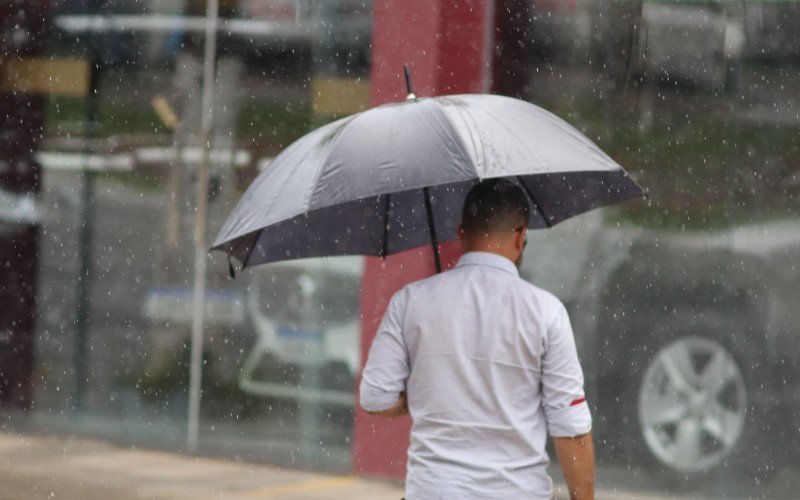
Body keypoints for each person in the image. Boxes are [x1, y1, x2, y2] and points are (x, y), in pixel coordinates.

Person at [359, 179, 595, 500]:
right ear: (521, 236)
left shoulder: (411, 301)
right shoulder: (546, 312)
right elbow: (571, 427)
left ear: (461, 234)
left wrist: (426, 394)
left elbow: (376, 397)